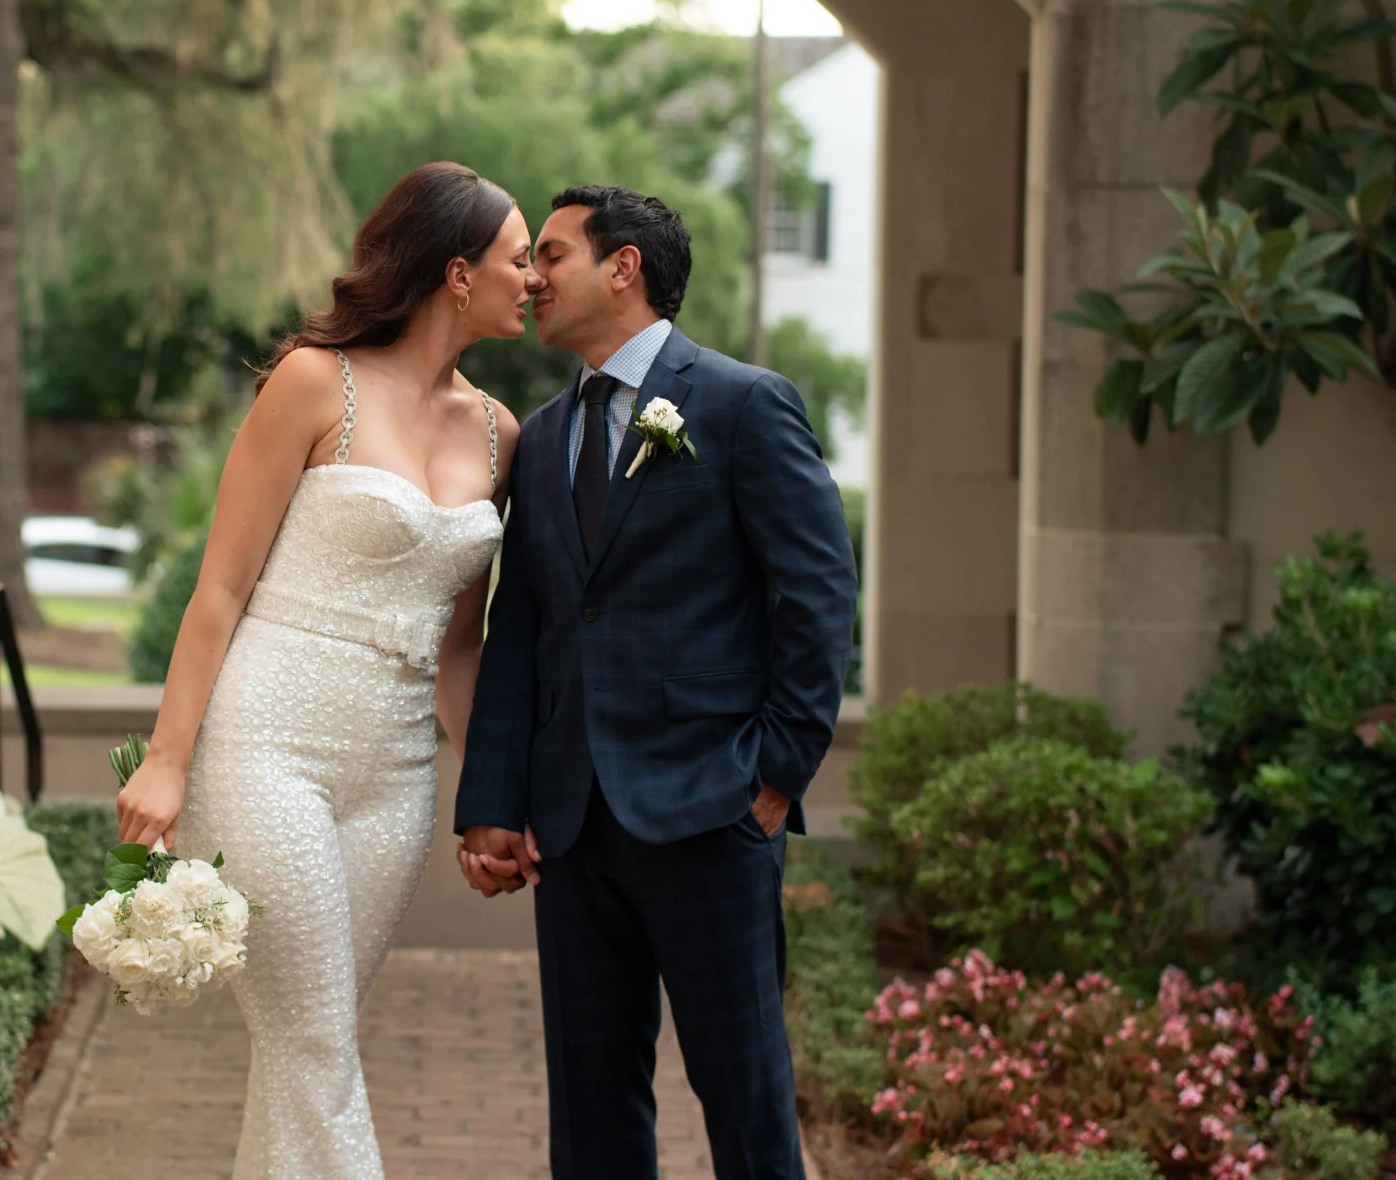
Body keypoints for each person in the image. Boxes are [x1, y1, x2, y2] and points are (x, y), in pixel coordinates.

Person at [112, 160, 534, 1180]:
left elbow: (460, 644)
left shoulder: (498, 431)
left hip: (392, 772)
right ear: (455, 273)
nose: (533, 280)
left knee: (310, 1040)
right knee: (313, 1044)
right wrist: (167, 761)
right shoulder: (314, 381)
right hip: (265, 746)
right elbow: (217, 589)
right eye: (517, 260)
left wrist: (489, 794)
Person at [455, 185, 857, 1180]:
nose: (532, 278)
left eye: (551, 255)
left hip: (712, 815)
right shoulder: (541, 437)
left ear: (622, 266)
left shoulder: (742, 404)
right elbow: (522, 629)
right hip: (574, 830)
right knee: (591, 1118)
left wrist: (771, 778)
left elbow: (817, 598)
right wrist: (493, 802)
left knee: (748, 1106)